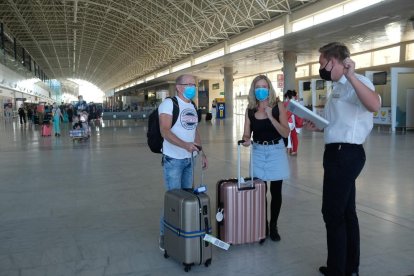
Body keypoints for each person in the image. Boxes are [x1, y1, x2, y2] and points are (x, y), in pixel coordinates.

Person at [304, 42, 381, 276]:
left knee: (332, 212)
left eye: (322, 63)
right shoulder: (336, 88)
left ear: (334, 61)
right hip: (335, 151)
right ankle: (349, 267)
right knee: (346, 213)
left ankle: (339, 270)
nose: (321, 68)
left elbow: (374, 105)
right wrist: (316, 127)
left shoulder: (357, 82)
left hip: (346, 154)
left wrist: (352, 76)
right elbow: (334, 123)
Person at [157, 74, 208, 251]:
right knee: (173, 199)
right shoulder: (169, 104)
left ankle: (184, 232)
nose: (192, 87)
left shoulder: (192, 106)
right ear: (178, 87)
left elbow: (195, 131)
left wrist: (201, 152)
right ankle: (165, 235)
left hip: (189, 160)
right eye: (188, 84)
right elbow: (164, 131)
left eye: (193, 85)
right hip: (174, 160)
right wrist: (184, 145)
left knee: (187, 198)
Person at [241, 75, 290, 242]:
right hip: (258, 152)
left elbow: (285, 132)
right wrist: (246, 139)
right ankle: (263, 225)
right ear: (253, 90)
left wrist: (271, 117)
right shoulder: (250, 109)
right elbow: (247, 132)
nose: (261, 89)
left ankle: (273, 225)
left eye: (264, 86)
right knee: (260, 192)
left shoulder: (278, 107)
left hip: (276, 150)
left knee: (276, 192)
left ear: (269, 88)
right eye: (257, 87)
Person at [284, 89, 303, 155]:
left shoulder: (286, 103)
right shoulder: (295, 103)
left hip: (290, 122)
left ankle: (289, 150)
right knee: (294, 137)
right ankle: (293, 150)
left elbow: (287, 114)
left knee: (289, 137)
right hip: (295, 123)